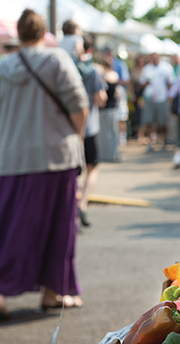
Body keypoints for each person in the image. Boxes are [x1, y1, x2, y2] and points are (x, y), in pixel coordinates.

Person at [0, 9, 89, 320]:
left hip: (9, 158)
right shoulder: (57, 60)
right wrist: (74, 137)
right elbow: (80, 104)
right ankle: (53, 293)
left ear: (18, 34)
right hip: (55, 156)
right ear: (43, 32)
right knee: (56, 228)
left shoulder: (3, 67)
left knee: (3, 227)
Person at [76, 34, 108, 227]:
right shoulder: (93, 70)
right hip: (89, 127)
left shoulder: (68, 67)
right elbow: (100, 99)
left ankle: (74, 200)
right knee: (92, 167)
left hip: (71, 128)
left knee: (75, 170)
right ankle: (83, 202)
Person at [139, 52, 174, 151]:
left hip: (162, 99)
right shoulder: (146, 69)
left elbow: (169, 83)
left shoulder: (166, 68)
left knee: (163, 122)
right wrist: (147, 83)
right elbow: (142, 84)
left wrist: (168, 97)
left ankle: (163, 141)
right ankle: (149, 143)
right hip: (149, 99)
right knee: (148, 122)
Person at [96, 59, 120, 162]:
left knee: (112, 132)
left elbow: (111, 79)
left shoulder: (110, 75)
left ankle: (113, 155)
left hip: (109, 108)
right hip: (105, 109)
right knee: (106, 133)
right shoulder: (102, 76)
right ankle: (107, 155)